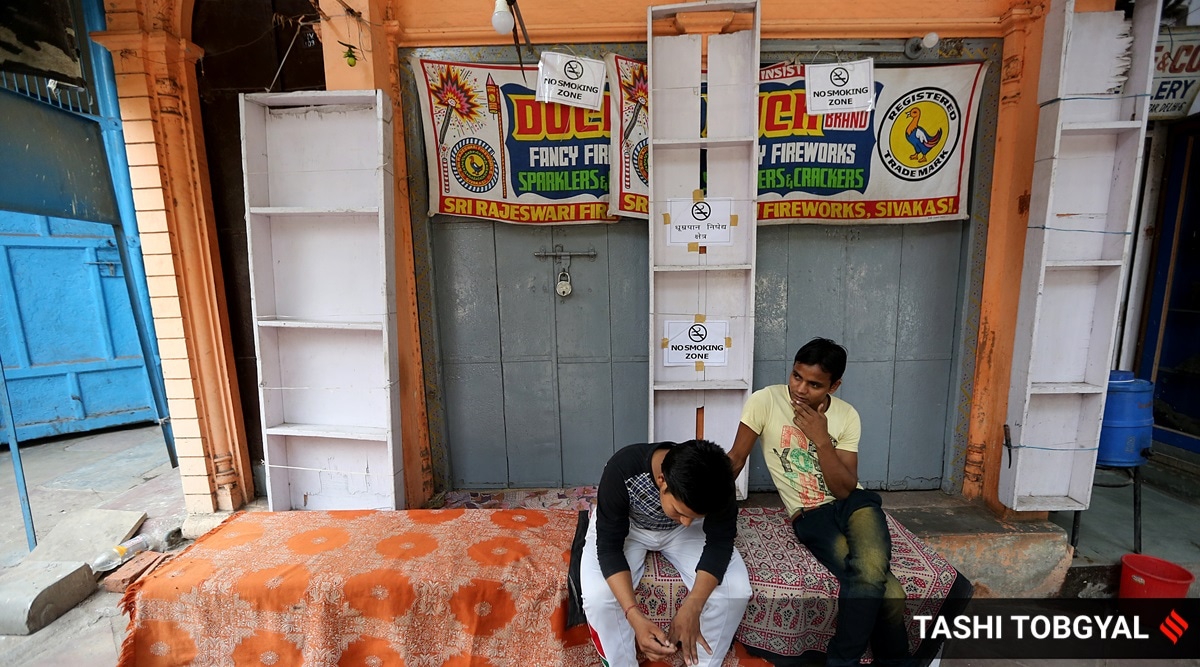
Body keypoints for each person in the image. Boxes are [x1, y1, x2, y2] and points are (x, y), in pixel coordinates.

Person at [729, 337, 912, 667]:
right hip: (811, 513)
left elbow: (844, 489)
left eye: (815, 385)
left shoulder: (846, 416)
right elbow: (736, 458)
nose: (800, 389)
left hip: (855, 504)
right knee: (891, 594)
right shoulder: (765, 401)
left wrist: (821, 437)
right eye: (797, 376)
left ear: (835, 385)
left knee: (871, 573)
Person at [581, 439, 751, 667]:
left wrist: (694, 604)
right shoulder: (622, 469)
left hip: (677, 534)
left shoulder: (717, 483)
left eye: (695, 516)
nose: (688, 522)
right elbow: (609, 547)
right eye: (680, 511)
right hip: (629, 527)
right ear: (662, 480)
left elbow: (720, 542)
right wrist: (634, 616)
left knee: (736, 590)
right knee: (598, 597)